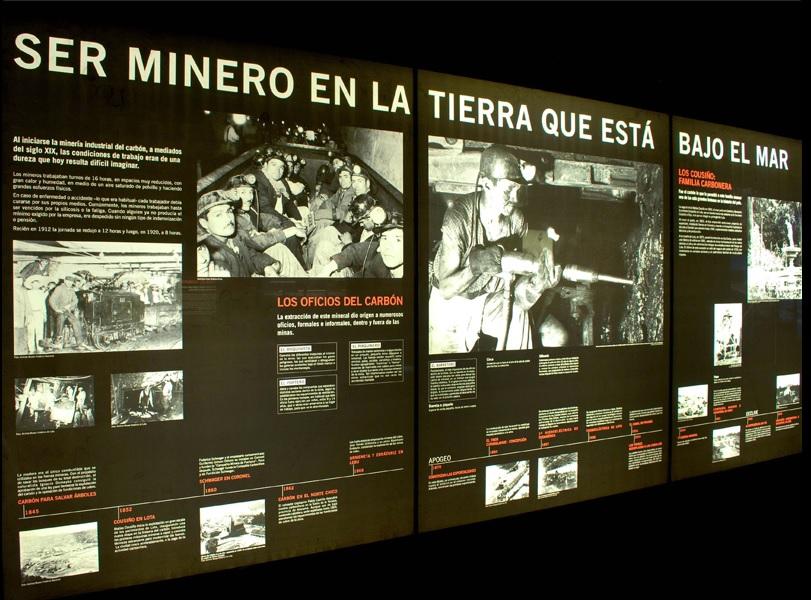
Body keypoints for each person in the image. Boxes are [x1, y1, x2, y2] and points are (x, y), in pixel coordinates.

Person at [429, 144, 560, 353]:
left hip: (490, 300)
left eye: (520, 190)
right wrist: (475, 267)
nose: (515, 199)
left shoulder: (516, 220)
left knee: (521, 314)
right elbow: (445, 289)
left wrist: (537, 284)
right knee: (446, 369)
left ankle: (519, 377)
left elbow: (517, 290)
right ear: (486, 183)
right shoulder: (459, 217)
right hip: (453, 305)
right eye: (509, 190)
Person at [197, 190, 282, 278]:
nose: (228, 219)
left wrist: (266, 267)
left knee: (280, 249)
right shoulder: (211, 255)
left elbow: (251, 255)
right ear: (204, 223)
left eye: (229, 211)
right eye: (218, 215)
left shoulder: (233, 237)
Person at [316, 209, 404, 278]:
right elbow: (354, 252)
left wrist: (347, 243)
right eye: (385, 238)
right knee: (324, 244)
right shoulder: (379, 254)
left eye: (398, 240)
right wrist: (327, 270)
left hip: (353, 271)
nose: (388, 246)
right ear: (379, 247)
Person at [48, 274, 91, 350]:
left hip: (66, 311)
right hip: (58, 311)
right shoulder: (59, 288)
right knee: (61, 318)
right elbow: (51, 300)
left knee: (76, 321)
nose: (69, 283)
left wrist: (70, 306)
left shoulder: (71, 290)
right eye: (68, 281)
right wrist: (56, 309)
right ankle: (58, 341)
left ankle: (79, 343)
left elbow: (76, 300)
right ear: (65, 281)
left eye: (71, 282)